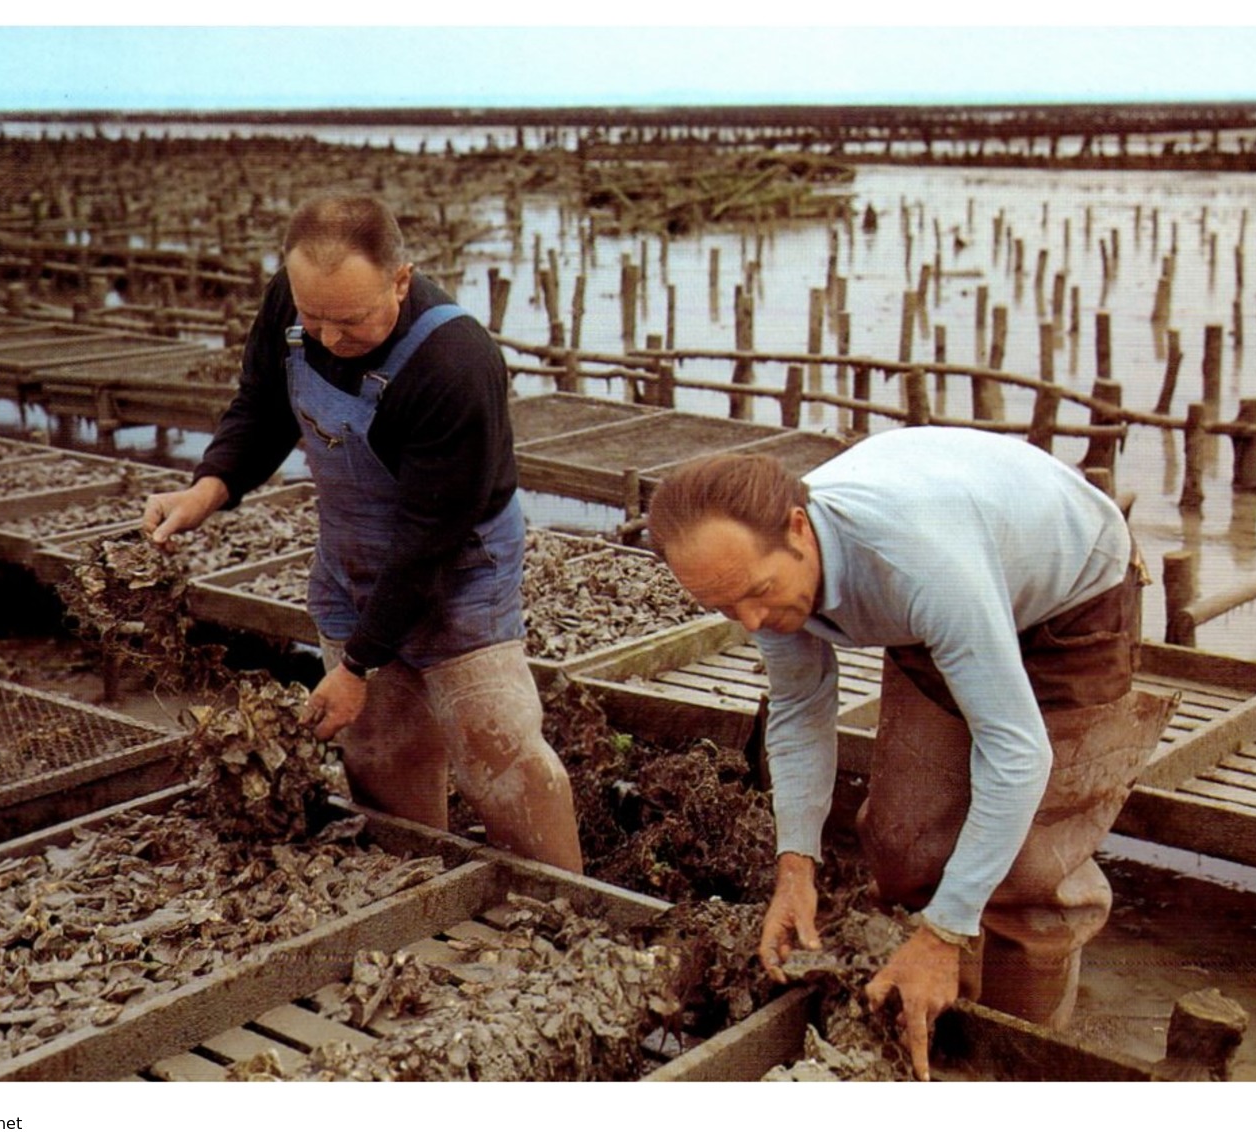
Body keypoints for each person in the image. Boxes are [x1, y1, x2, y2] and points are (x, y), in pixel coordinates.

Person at [645, 426, 1174, 1079]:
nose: (751, 623)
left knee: (1032, 875)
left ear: (797, 529)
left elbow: (1015, 754)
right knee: (901, 837)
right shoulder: (762, 585)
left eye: (756, 593)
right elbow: (799, 707)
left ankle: (1015, 1062)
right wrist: (795, 868)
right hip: (963, 571)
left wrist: (946, 929)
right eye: (724, 607)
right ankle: (931, 1001)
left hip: (1074, 591)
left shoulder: (916, 563)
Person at [142, 192, 582, 872]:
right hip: (351, 552)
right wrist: (211, 485)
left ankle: (566, 901)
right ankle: (416, 882)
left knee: (495, 754)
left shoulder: (453, 363)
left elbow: (427, 542)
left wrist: (356, 666)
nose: (327, 339)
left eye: (349, 322)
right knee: (378, 745)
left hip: (455, 564)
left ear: (400, 280)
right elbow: (262, 406)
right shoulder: (297, 306)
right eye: (312, 317)